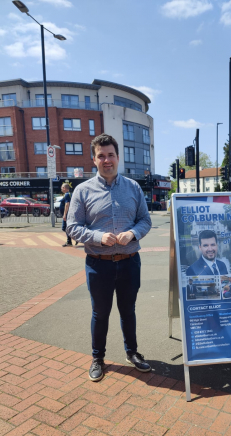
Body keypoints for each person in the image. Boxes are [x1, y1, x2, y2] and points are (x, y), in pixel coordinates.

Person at [66, 133, 152, 382]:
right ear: (94, 160)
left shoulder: (133, 187)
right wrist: (97, 237)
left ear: (118, 157)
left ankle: (132, 353)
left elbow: (145, 220)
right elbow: (72, 227)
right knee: (100, 313)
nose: (107, 160)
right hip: (98, 264)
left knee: (128, 311)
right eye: (101, 156)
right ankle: (97, 358)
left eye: (110, 155)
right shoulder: (82, 191)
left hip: (129, 262)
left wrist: (133, 233)